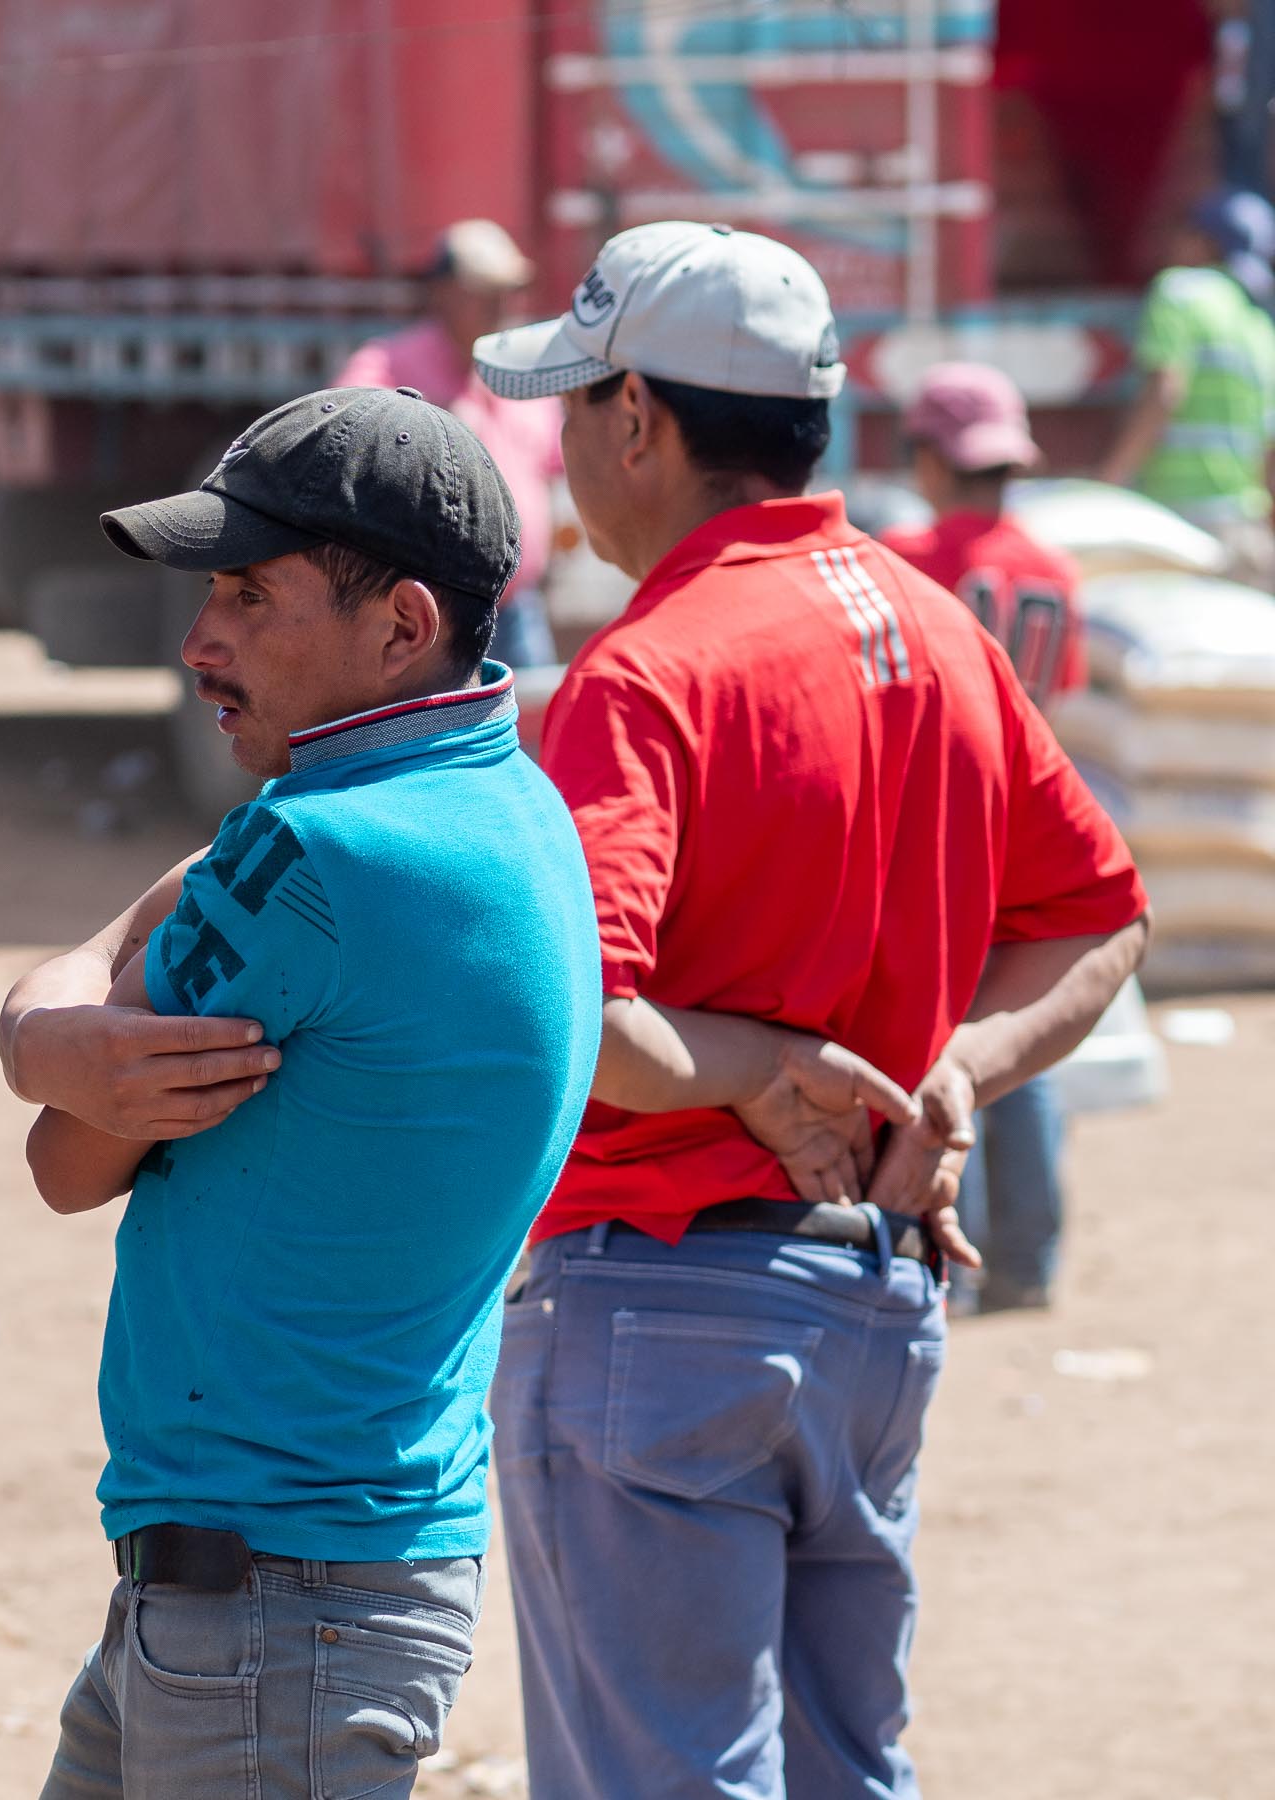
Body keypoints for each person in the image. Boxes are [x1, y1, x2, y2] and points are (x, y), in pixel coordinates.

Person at [473, 221, 1151, 1798]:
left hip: (659, 1312)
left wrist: (759, 1070)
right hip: (874, 1320)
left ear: (637, 417)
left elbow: (570, 1013)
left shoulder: (647, 676)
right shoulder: (938, 632)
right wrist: (959, 1075)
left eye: (576, 407)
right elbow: (1100, 918)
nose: (565, 448)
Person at [0, 386, 601, 1798]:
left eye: (251, 596)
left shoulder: (326, 859)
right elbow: (200, 887)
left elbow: (66, 1159)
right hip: (298, 1588)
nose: (202, 640)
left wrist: (36, 1012)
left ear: (400, 624)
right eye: (211, 590)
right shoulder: (507, 803)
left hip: (273, 1613)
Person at [883, 361, 1089, 1312]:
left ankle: (945, 1261)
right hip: (1026, 826)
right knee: (1017, 1043)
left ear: (929, 456)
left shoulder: (903, 558)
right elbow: (1064, 710)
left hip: (935, 832)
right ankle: (1030, 1258)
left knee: (936, 1041)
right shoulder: (1053, 570)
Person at [336, 219, 564, 664]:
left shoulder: (523, 374)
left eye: (508, 290)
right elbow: (341, 451)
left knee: (528, 727)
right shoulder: (386, 369)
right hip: (432, 619)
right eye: (483, 292)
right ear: (441, 294)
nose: (500, 305)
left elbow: (554, 473)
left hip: (517, 609)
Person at [1098, 187, 1275, 586]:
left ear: (1201, 242)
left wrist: (1111, 481)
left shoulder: (1178, 292)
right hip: (1243, 522)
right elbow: (1268, 443)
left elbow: (1164, 390)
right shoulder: (1257, 325)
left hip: (1180, 522)